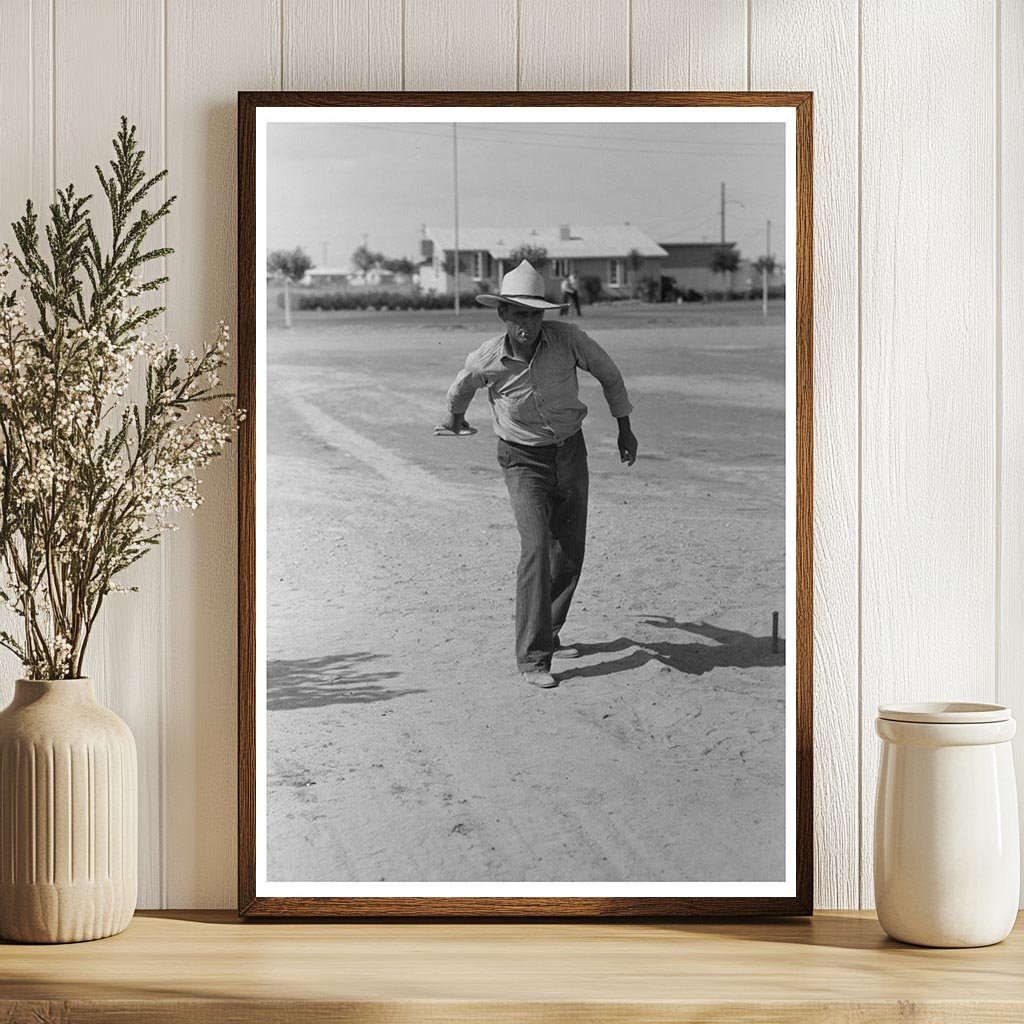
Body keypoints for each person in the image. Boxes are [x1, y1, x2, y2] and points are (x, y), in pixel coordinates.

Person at [438, 260, 637, 690]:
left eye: (534, 313)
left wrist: (624, 427)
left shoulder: (569, 341)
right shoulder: (488, 357)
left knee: (568, 548)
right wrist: (454, 418)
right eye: (518, 314)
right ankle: (533, 658)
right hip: (521, 459)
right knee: (536, 546)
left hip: (570, 451)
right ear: (503, 315)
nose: (527, 323)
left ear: (544, 315)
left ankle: (550, 627)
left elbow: (609, 374)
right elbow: (461, 387)